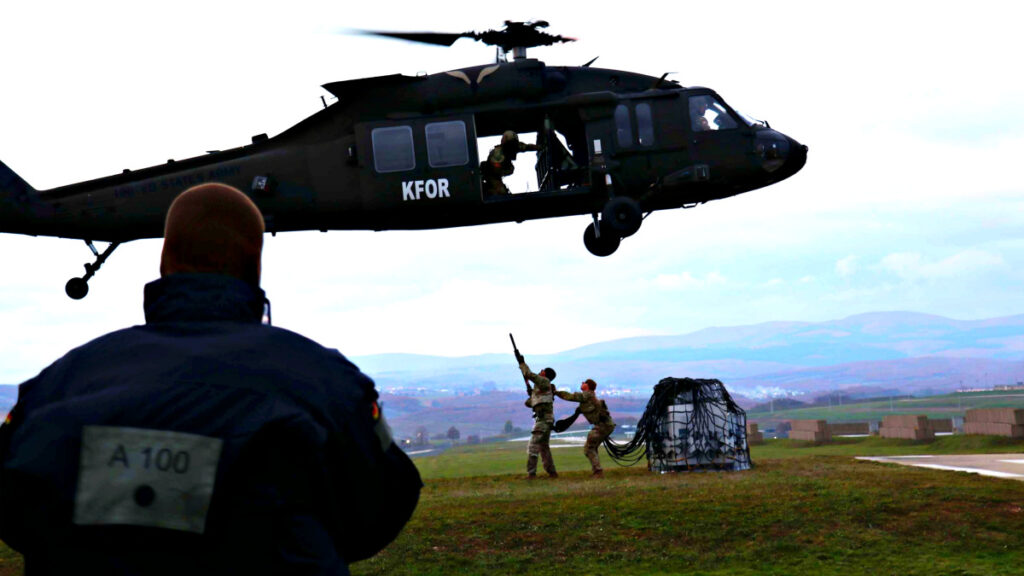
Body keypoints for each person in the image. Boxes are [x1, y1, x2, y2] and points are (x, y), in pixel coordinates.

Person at [0, 183, 421, 575]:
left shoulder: (55, 386)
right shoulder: (329, 384)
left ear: (164, 263)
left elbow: (14, 511)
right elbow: (382, 508)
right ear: (255, 264)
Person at [555, 378, 616, 478]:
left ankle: (598, 472)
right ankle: (597, 471)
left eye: (584, 382)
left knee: (589, 448)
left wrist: (555, 392)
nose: (582, 383)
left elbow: (570, 396)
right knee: (592, 447)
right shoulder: (589, 397)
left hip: (602, 426)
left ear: (588, 386)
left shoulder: (586, 395)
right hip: (605, 425)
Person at [519, 358, 558, 479]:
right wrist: (532, 394)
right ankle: (552, 472)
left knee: (533, 446)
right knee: (543, 447)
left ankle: (531, 473)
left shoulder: (544, 382)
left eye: (542, 371)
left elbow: (529, 374)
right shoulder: (542, 388)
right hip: (546, 420)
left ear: (545, 374)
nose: (540, 372)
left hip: (542, 421)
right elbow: (528, 403)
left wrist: (522, 364)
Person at [481, 130, 538, 196]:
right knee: (500, 192)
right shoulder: (498, 154)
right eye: (511, 144)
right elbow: (495, 170)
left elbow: (528, 147)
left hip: (500, 171)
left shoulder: (515, 146)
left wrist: (539, 147)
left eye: (514, 144)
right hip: (492, 175)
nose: (513, 147)